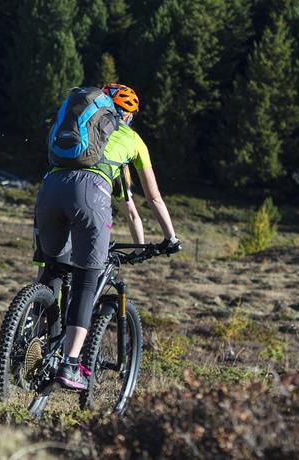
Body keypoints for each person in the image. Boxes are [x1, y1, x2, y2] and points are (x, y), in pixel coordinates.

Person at [35, 83, 181, 390]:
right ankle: (71, 364)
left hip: (50, 187)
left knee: (54, 269)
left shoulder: (82, 130)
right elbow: (148, 201)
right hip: (89, 193)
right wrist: (169, 239)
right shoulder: (131, 139)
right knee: (88, 278)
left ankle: (32, 341)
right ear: (128, 115)